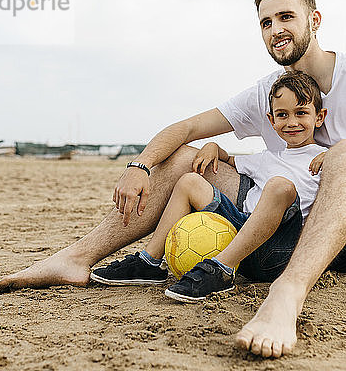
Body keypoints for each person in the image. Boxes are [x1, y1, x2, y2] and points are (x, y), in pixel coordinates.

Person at [0, 0, 346, 358]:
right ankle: (77, 258)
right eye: (265, 23)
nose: (276, 30)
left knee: (345, 151)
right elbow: (187, 127)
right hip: (283, 225)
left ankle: (286, 297)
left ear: (314, 20)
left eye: (286, 17)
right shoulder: (269, 93)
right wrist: (140, 164)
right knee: (191, 155)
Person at [91, 70, 328, 303]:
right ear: (271, 120)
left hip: (278, 250)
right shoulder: (268, 157)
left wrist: (334, 156)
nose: (292, 122)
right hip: (240, 232)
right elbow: (230, 160)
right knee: (189, 182)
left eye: (301, 113)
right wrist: (213, 146)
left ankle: (222, 270)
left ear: (319, 117)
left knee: (280, 187)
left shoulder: (326, 158)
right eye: (283, 115)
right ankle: (149, 262)